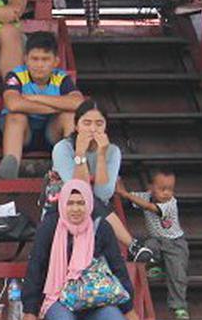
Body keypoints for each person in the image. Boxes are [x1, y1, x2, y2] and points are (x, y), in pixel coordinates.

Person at [21, 180, 139, 320]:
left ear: (89, 204)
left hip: (97, 300)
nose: (75, 209)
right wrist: (30, 310)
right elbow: (35, 267)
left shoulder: (101, 227)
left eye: (81, 203)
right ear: (62, 204)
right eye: (70, 203)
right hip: (59, 300)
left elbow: (118, 267)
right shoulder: (49, 227)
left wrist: (128, 309)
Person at [51, 99, 154, 262]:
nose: (93, 129)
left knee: (96, 201)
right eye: (87, 123)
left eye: (99, 123)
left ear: (105, 126)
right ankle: (133, 245)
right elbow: (77, 189)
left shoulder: (112, 151)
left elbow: (104, 192)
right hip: (62, 203)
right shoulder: (62, 148)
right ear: (76, 126)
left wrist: (100, 155)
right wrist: (80, 153)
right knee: (89, 199)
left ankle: (132, 248)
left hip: (97, 205)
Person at [0, 31, 82, 179]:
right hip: (23, 134)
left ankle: (70, 169)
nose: (39, 65)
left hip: (50, 133)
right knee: (16, 116)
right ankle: (10, 172)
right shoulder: (16, 76)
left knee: (69, 116)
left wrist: (34, 98)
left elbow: (77, 103)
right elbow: (13, 104)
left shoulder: (61, 78)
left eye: (45, 59)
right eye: (34, 59)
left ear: (55, 61)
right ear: (25, 59)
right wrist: (57, 105)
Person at [118, 170, 190, 320]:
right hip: (156, 241)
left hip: (175, 244)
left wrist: (126, 195)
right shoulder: (145, 196)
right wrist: (119, 183)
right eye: (162, 188)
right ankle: (155, 264)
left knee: (177, 274)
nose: (166, 193)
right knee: (146, 248)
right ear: (150, 188)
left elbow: (150, 207)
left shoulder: (170, 204)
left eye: (170, 189)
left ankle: (179, 305)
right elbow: (127, 194)